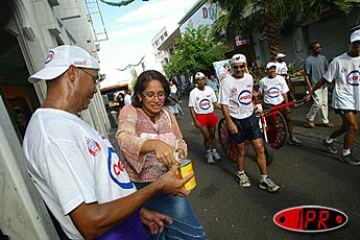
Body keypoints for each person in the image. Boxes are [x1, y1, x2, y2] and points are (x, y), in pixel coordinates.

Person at [22, 45, 193, 240]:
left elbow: (105, 185)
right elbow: (90, 223)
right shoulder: (54, 135)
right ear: (72, 73)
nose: (95, 89)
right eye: (94, 79)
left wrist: (137, 212)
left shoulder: (69, 123)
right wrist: (156, 186)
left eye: (161, 94)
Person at [117, 70, 206, 239]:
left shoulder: (167, 114)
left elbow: (180, 140)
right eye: (150, 94)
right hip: (143, 189)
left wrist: (179, 152)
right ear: (139, 95)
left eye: (161, 94)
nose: (156, 100)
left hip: (170, 184)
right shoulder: (130, 112)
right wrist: (154, 145)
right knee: (156, 234)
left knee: (192, 235)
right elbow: (124, 139)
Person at [219, 53, 280, 192]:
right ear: (231, 68)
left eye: (241, 66)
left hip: (250, 118)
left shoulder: (249, 78)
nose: (239, 70)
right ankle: (241, 174)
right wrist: (229, 123)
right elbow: (223, 104)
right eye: (236, 67)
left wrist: (255, 107)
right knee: (241, 151)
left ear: (245, 66)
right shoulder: (226, 82)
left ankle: (264, 179)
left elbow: (248, 96)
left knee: (260, 149)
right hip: (235, 119)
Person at [306, 30, 360, 166]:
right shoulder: (338, 61)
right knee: (353, 127)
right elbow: (324, 79)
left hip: (355, 98)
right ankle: (345, 153)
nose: (358, 46)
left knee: (345, 126)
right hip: (342, 98)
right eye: (355, 43)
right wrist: (311, 91)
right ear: (350, 44)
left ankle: (328, 140)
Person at [255, 62, 302, 146]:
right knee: (271, 123)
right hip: (269, 105)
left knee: (288, 119)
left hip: (280, 103)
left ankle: (292, 138)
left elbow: (284, 93)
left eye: (273, 68)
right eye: (270, 69)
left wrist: (287, 106)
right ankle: (271, 138)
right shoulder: (263, 81)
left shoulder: (280, 79)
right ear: (267, 70)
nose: (272, 70)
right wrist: (255, 94)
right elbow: (260, 92)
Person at [189, 72, 221, 164]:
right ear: (196, 81)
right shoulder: (193, 93)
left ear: (205, 80)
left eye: (203, 79)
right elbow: (191, 107)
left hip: (210, 115)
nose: (201, 81)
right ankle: (208, 153)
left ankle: (214, 152)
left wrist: (224, 108)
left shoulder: (210, 90)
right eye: (199, 80)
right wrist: (195, 120)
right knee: (206, 137)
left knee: (212, 136)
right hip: (201, 116)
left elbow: (215, 103)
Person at [304, 42, 334, 128]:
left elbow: (326, 69)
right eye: (317, 48)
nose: (319, 49)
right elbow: (306, 75)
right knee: (318, 103)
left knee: (324, 103)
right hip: (314, 86)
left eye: (320, 47)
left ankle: (324, 121)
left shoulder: (323, 58)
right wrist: (310, 88)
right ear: (312, 49)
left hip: (323, 85)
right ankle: (309, 117)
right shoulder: (308, 60)